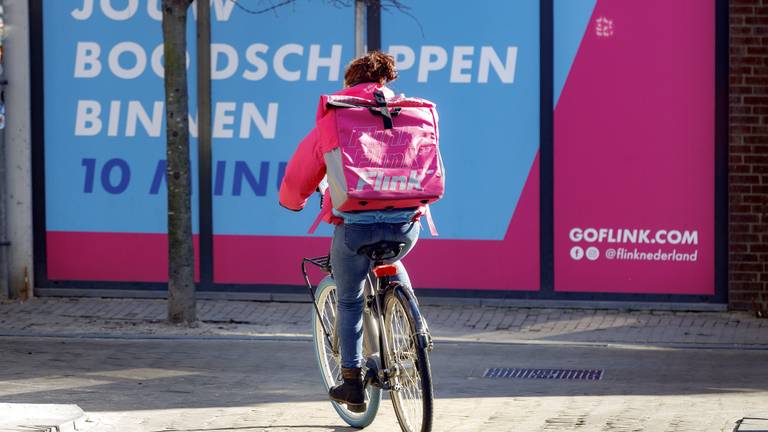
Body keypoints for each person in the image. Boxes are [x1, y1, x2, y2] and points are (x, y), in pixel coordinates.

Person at [279, 51, 428, 413]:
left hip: (356, 228)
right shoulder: (409, 112)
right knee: (392, 258)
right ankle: (416, 326)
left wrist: (293, 202)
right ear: (385, 81)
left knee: (349, 300)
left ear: (350, 82)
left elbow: (301, 173)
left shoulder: (338, 116)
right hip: (406, 225)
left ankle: (352, 383)